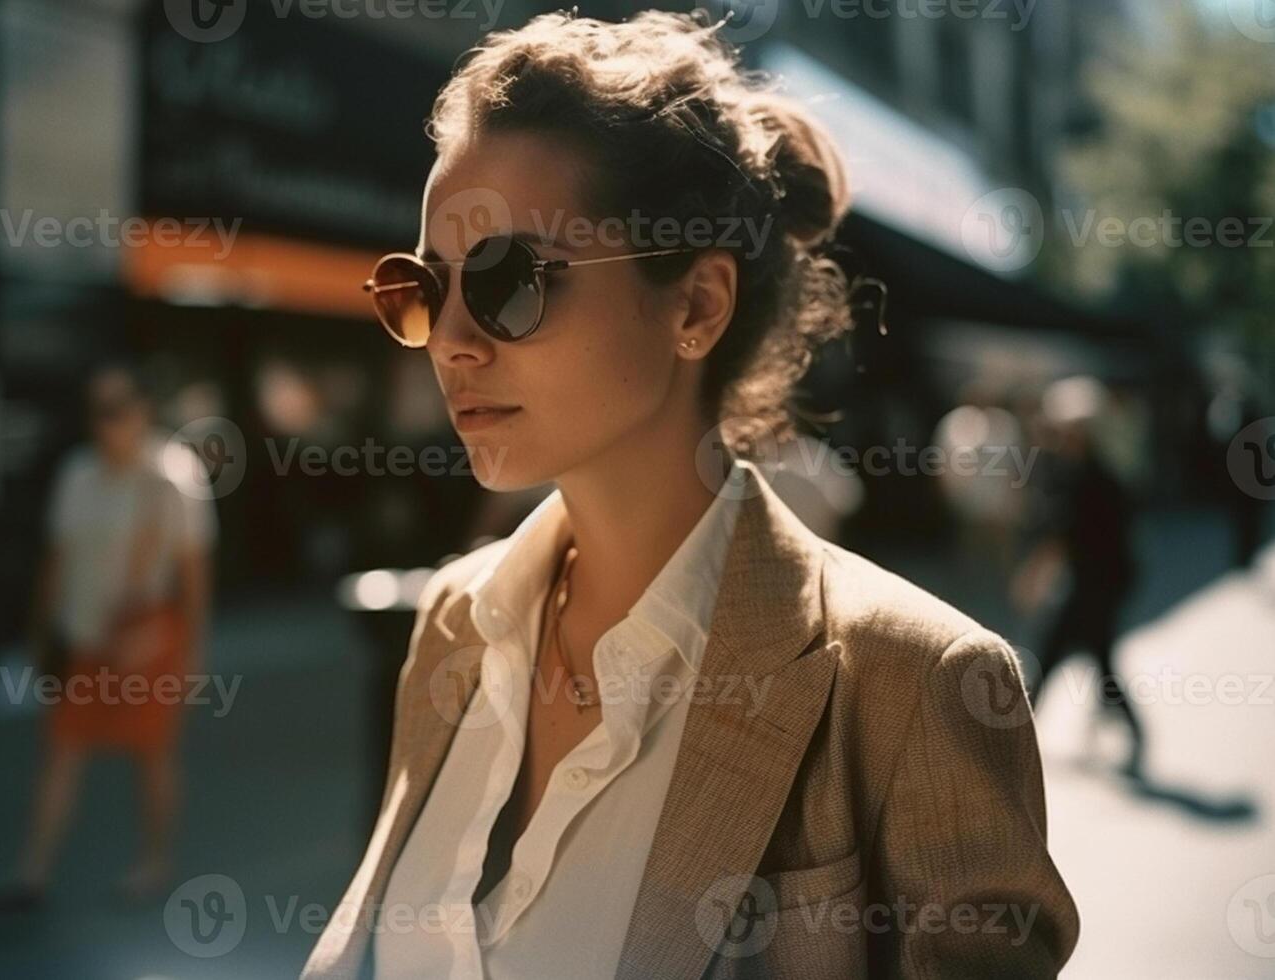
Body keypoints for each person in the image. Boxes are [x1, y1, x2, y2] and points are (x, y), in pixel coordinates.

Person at [302, 11, 1078, 979]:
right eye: (423, 286)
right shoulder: (454, 623)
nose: (454, 337)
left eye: (510, 280)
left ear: (697, 305)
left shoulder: (913, 685)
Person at [0, 364, 216, 908]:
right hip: (86, 636)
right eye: (97, 412)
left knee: (152, 754)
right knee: (63, 749)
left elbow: (192, 573)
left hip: (147, 643)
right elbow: (57, 559)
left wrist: (192, 653)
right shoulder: (78, 473)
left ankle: (154, 861)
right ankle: (33, 871)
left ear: (142, 411)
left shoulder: (173, 475)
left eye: (116, 410)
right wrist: (41, 633)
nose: (105, 424)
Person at [1013, 376, 1145, 778]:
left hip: (1096, 585)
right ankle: (1019, 733)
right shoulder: (1095, 472)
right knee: (1087, 660)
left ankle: (1014, 736)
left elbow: (1064, 534)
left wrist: (1035, 574)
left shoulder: (1090, 476)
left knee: (1057, 653)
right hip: (1100, 582)